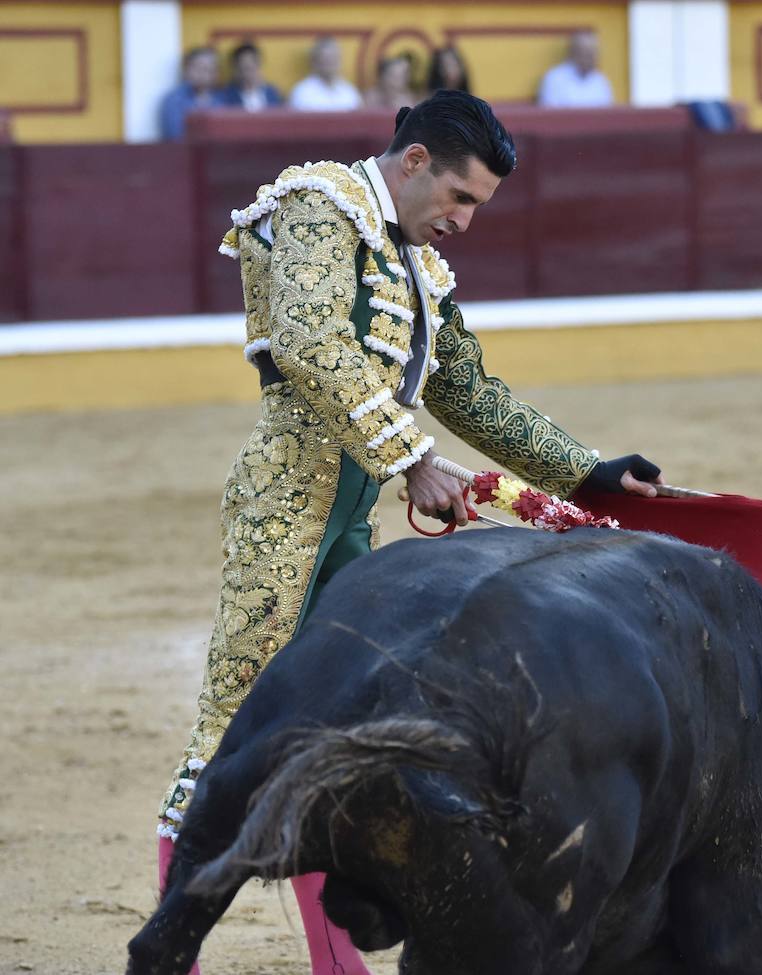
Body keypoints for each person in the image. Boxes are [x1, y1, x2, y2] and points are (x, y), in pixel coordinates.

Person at [154, 91, 663, 975]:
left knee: (339, 743)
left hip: (347, 524)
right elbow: (314, 343)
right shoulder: (318, 202)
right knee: (233, 729)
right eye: (461, 198)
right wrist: (409, 458)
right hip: (288, 506)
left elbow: (466, 390)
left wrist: (584, 470)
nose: (465, 220)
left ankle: (338, 965)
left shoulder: (417, 263)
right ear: (416, 160)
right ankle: (172, 956)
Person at [537, 29, 614, 108]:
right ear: (573, 53)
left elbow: (608, 114)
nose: (592, 58)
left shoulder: (600, 80)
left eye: (594, 53)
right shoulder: (554, 78)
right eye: (587, 53)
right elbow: (549, 115)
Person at [158, 47, 220, 141]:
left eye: (210, 67)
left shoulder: (224, 98)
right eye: (199, 67)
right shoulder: (174, 100)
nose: (205, 72)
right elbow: (175, 137)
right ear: (186, 70)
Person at [289, 35, 362, 111]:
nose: (330, 64)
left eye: (333, 58)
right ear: (314, 62)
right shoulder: (302, 93)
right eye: (325, 59)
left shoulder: (349, 91)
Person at [217, 41, 283, 112]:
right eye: (245, 68)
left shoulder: (272, 94)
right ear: (236, 70)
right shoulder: (226, 97)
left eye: (253, 66)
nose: (250, 73)